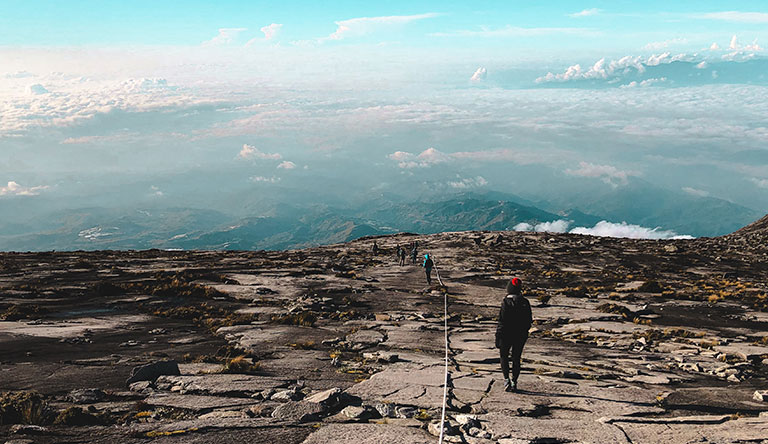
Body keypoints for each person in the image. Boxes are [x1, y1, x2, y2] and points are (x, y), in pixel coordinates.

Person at [495, 277, 532, 392]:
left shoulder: (506, 302)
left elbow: (502, 320)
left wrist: (498, 335)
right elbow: (529, 320)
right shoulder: (525, 302)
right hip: (520, 335)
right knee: (516, 358)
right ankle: (514, 381)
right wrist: (524, 332)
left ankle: (506, 379)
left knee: (504, 356)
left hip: (506, 334)